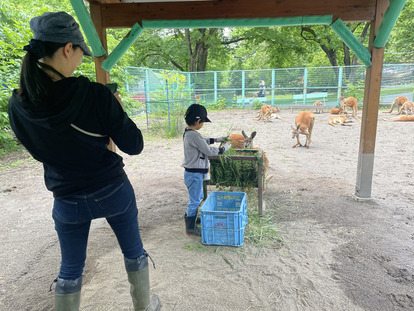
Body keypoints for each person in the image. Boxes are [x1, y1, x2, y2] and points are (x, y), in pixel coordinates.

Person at [7, 11, 161, 311]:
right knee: (133, 252)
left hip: (66, 199)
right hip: (113, 191)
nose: (80, 60)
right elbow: (135, 145)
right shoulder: (94, 94)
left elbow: (38, 150)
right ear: (67, 48)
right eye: (80, 53)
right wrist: (116, 111)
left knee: (70, 269)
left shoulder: (18, 104)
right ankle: (144, 306)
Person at [182, 104, 231, 236]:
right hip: (194, 174)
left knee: (197, 197)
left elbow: (202, 141)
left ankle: (192, 218)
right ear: (198, 121)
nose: (202, 124)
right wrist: (222, 149)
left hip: (192, 173)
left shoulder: (189, 133)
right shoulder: (194, 136)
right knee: (195, 200)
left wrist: (216, 139)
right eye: (203, 122)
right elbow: (208, 151)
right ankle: (190, 228)